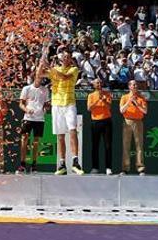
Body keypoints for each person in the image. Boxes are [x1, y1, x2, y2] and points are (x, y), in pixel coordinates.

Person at [37, 46, 83, 175]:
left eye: (68, 57)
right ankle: (62, 164)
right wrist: (42, 62)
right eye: (64, 56)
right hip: (56, 105)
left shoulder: (74, 69)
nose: (66, 58)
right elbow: (39, 75)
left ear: (70, 59)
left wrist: (49, 67)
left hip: (69, 104)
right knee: (60, 136)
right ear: (60, 58)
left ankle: (75, 162)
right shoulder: (55, 69)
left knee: (73, 131)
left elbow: (64, 77)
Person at [18, 73, 50, 174]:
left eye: (41, 77)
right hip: (28, 118)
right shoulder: (26, 89)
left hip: (39, 119)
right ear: (34, 77)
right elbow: (21, 104)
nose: (40, 79)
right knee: (24, 138)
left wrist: (46, 109)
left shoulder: (45, 90)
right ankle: (22, 164)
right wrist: (27, 110)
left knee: (36, 141)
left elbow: (46, 104)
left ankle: (34, 165)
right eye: (38, 77)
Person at [120, 79, 148, 175]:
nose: (135, 86)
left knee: (139, 145)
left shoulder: (141, 98)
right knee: (126, 145)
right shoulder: (124, 97)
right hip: (127, 121)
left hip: (138, 122)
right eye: (133, 85)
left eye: (136, 85)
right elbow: (121, 110)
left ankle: (140, 168)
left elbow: (145, 111)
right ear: (129, 86)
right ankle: (125, 168)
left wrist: (136, 103)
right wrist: (129, 101)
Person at [86, 79, 113, 175]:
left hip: (106, 121)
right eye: (97, 82)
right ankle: (95, 167)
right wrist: (98, 100)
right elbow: (89, 108)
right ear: (93, 85)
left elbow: (109, 106)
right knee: (95, 145)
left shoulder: (107, 94)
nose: (99, 84)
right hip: (95, 122)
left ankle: (108, 167)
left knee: (108, 145)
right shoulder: (91, 95)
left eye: (100, 82)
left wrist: (104, 100)